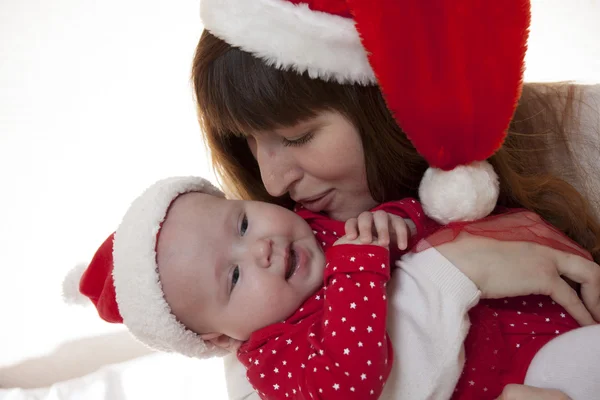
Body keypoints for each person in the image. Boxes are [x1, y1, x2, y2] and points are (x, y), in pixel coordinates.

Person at [193, 1, 600, 399]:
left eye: (298, 136)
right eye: (248, 142)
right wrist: (453, 270)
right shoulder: (258, 314)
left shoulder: (579, 130)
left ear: (384, 102)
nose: (273, 182)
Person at [67, 176, 600, 400]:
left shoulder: (319, 230)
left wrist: (396, 221)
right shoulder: (275, 361)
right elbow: (355, 377)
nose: (262, 251)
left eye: (243, 224)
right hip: (524, 375)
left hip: (547, 303)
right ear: (218, 339)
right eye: (232, 278)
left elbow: (422, 229)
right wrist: (360, 266)